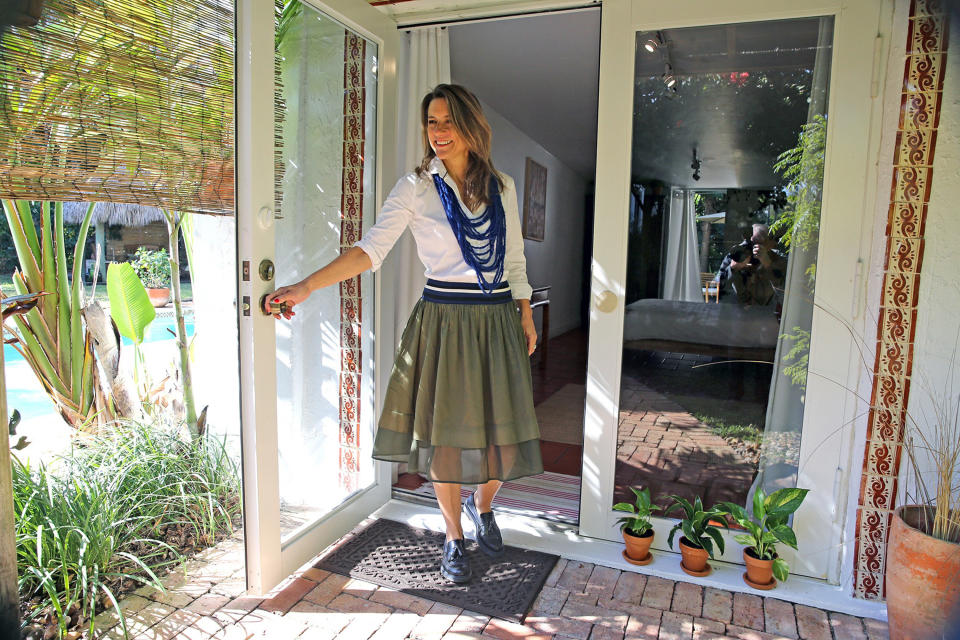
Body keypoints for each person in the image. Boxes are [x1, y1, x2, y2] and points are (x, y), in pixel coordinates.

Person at [263, 84, 542, 584]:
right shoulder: (415, 187)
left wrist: (524, 312)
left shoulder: (502, 186)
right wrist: (305, 285)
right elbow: (370, 252)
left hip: (497, 317)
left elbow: (515, 258)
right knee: (447, 441)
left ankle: (484, 505)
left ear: (472, 126)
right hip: (445, 321)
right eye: (431, 123)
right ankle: (455, 536)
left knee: (503, 436)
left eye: (448, 121)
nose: (438, 132)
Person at [717, 223, 786, 307]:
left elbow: (784, 288)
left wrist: (768, 264)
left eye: (756, 244)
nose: (749, 247)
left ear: (770, 244)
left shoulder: (776, 258)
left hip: (766, 313)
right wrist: (732, 268)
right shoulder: (736, 256)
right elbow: (718, 284)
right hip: (736, 311)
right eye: (749, 243)